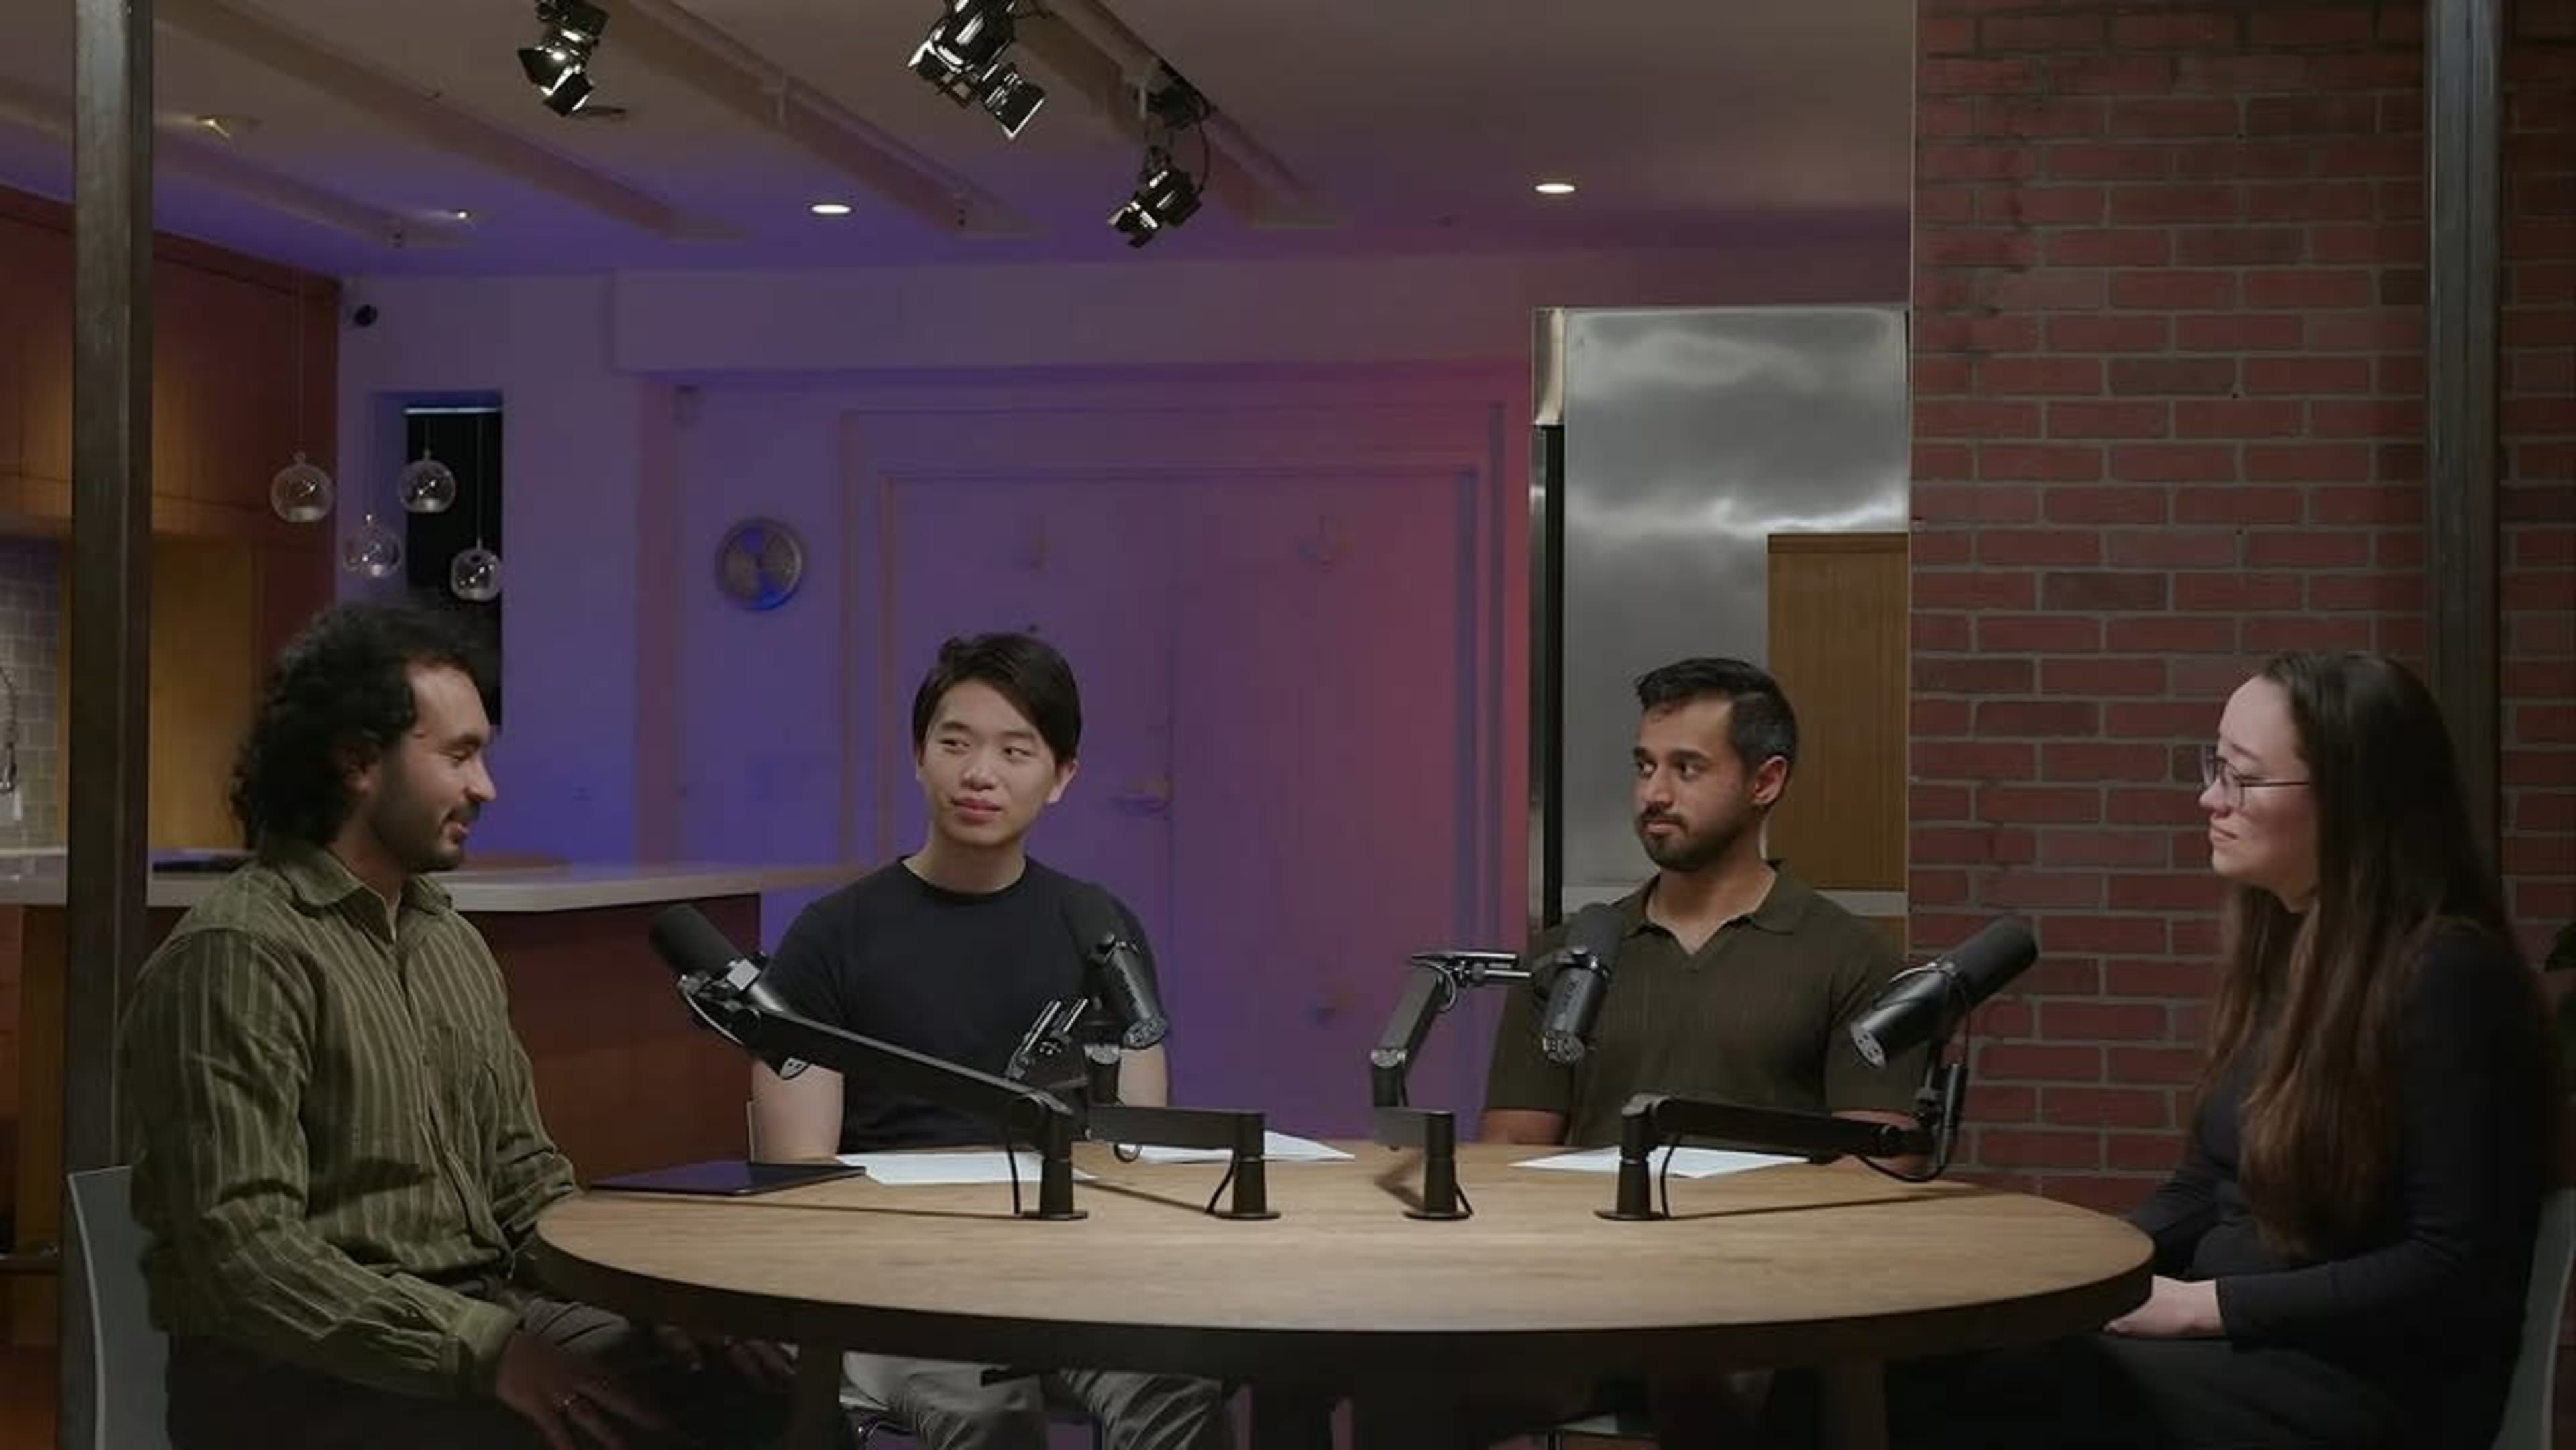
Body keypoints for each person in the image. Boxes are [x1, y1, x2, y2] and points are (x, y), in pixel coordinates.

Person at [117, 602, 794, 1450]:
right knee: (665, 1422)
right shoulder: (239, 953)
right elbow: (246, 1258)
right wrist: (487, 1352)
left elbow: (522, 1179)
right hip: (298, 1381)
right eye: (460, 754)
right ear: (358, 760)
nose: (486, 788)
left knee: (771, 1382)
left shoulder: (446, 938)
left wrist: (657, 1295)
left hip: (478, 1319)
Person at [1886, 650, 2563, 1450]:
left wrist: (2197, 1306)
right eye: (2215, 764)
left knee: (1992, 1396)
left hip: (2362, 1382)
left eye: (2242, 777)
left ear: (2352, 802)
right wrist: (2064, 1272)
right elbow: (2204, 1187)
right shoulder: (2290, 942)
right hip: (2246, 1345)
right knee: (1882, 1364)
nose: (2210, 797)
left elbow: (2450, 1266)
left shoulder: (2448, 974)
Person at [750, 631, 1230, 1450]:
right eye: (956, 743)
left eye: (1017, 750)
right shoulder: (833, 934)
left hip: (1068, 1274)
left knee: (1184, 1382)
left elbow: (1136, 1141)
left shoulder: (1096, 927)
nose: (981, 773)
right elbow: (797, 1174)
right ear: (919, 756)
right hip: (897, 1283)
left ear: (1061, 777)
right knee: (990, 1414)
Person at [1477, 656, 1928, 1446]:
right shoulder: (1571, 956)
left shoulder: (1850, 957)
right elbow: (1510, 1150)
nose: (1654, 794)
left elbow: (1880, 1167)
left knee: (1698, 1367)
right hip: (1583, 1281)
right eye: (1646, 765)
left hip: (1753, 1290)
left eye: (1688, 768)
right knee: (1406, 1357)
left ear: (1766, 781)